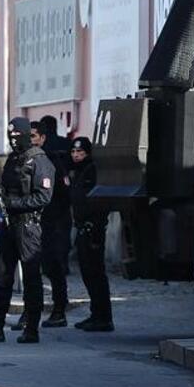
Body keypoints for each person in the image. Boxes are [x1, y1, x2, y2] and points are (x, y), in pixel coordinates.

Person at [0, 117, 54, 345]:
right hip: (9, 225)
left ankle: (31, 328)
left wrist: (12, 203)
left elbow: (43, 197)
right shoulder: (13, 159)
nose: (14, 140)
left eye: (18, 136)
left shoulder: (39, 161)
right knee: (2, 276)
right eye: (11, 136)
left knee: (31, 279)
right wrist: (0, 195)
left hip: (28, 226)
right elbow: (7, 189)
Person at [14, 119, 72, 330]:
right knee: (31, 270)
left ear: (42, 138)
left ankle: (59, 310)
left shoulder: (51, 160)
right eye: (27, 136)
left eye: (33, 136)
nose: (29, 140)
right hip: (31, 222)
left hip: (53, 222)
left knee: (53, 267)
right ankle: (29, 313)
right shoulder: (21, 159)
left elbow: (63, 194)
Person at [68, 137, 113, 331]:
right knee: (88, 273)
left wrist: (94, 224)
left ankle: (104, 318)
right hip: (82, 227)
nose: (76, 155)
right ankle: (96, 314)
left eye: (80, 152)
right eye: (74, 152)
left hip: (92, 229)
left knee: (96, 273)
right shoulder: (78, 171)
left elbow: (100, 202)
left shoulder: (93, 170)